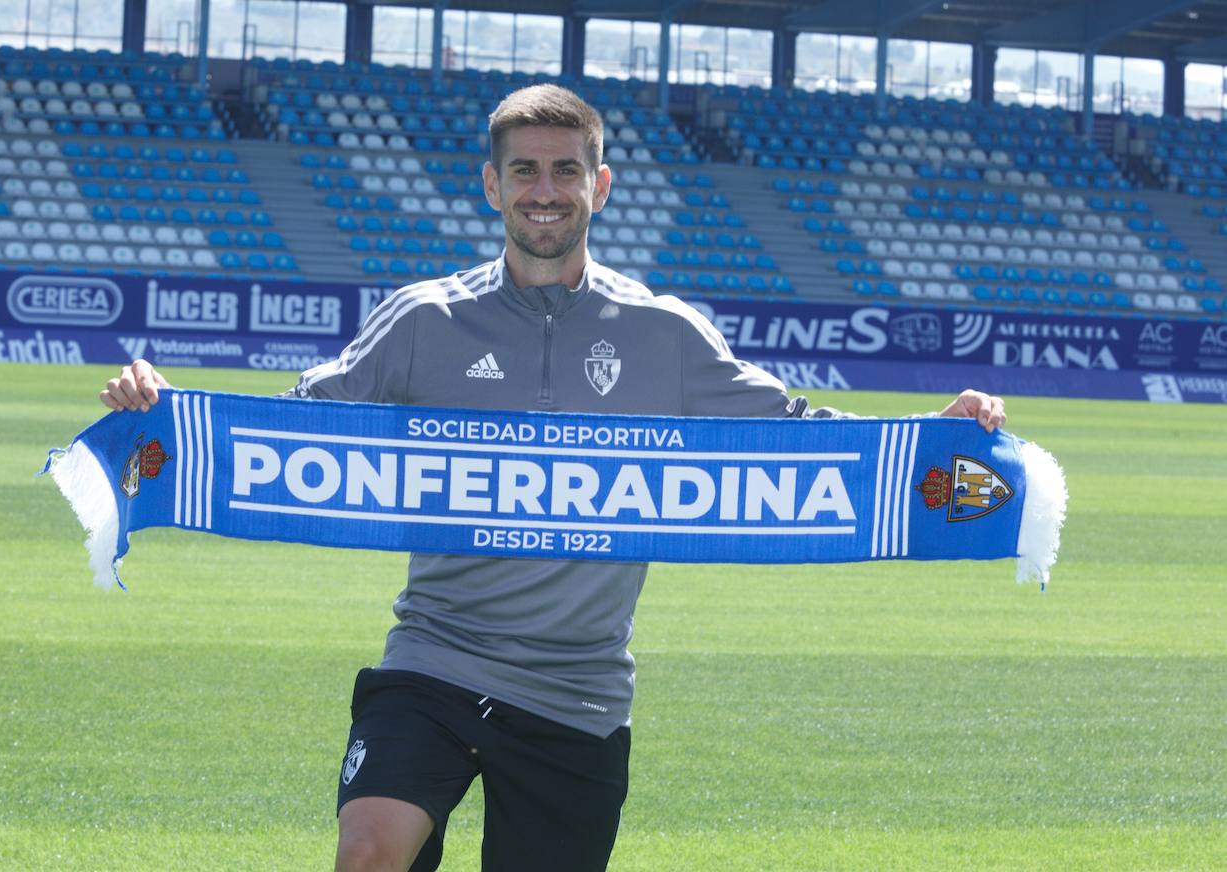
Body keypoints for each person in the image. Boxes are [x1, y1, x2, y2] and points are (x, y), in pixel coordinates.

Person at [100, 84, 1006, 872]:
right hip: (435, 661)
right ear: (492, 185)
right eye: (525, 171)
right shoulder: (422, 320)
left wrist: (932, 440)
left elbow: (801, 439)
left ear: (598, 186)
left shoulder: (666, 334)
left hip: (578, 691)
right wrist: (164, 408)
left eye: (565, 171)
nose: (545, 191)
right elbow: (288, 426)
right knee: (368, 851)